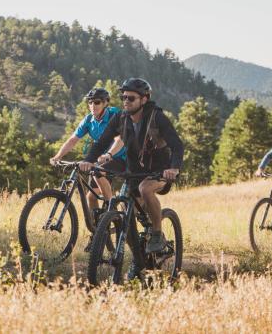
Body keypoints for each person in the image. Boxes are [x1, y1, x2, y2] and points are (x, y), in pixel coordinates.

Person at [79, 78, 183, 256]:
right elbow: (101, 142)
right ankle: (138, 260)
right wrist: (89, 160)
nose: (126, 101)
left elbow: (177, 145)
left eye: (131, 98)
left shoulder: (157, 117)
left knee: (145, 188)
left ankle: (157, 234)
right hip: (134, 170)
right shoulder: (121, 118)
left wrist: (173, 168)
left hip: (160, 170)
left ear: (144, 99)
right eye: (124, 97)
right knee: (126, 218)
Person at [50, 87, 127, 235]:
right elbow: (73, 139)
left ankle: (112, 210)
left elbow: (120, 139)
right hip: (101, 159)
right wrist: (58, 156)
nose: (93, 106)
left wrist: (109, 154)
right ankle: (97, 234)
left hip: (121, 156)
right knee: (91, 196)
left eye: (97, 102)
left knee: (99, 171)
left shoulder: (115, 115)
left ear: (105, 103)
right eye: (90, 102)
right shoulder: (88, 120)